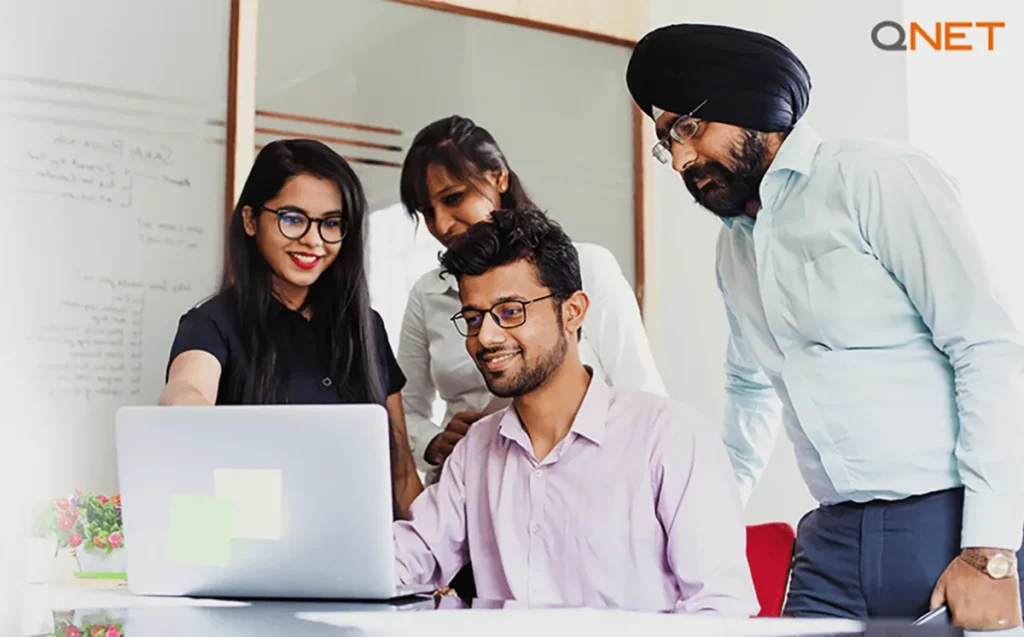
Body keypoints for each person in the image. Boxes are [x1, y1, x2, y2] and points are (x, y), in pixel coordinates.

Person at [626, 23, 1024, 628]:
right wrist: (708, 525)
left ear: (749, 105)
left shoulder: (875, 179)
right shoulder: (733, 249)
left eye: (688, 128)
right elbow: (751, 389)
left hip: (946, 521)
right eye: (667, 141)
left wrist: (989, 549)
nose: (680, 159)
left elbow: (987, 347)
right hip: (830, 538)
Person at [393, 208, 757, 614]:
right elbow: (409, 558)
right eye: (474, 318)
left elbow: (721, 611)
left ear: (573, 311)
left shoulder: (671, 439)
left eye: (510, 312)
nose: (486, 337)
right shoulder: (475, 451)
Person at [159, 139, 423, 518]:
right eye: (293, 218)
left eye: (331, 223)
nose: (314, 240)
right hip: (249, 554)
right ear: (250, 220)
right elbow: (185, 392)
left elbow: (401, 474)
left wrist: (432, 562)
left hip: (356, 553)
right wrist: (185, 409)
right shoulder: (212, 323)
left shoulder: (366, 327)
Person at [397, 115, 666, 484]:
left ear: (498, 177)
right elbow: (405, 409)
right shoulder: (427, 294)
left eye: (453, 198)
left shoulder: (587, 267)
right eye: (427, 212)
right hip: (465, 488)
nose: (442, 224)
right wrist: (434, 442)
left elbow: (640, 392)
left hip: (575, 481)